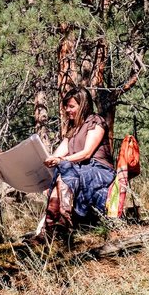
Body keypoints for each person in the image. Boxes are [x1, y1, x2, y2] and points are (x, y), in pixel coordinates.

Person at [38, 87, 115, 241]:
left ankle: (60, 222)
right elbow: (58, 154)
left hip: (98, 169)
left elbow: (87, 153)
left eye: (71, 106)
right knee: (62, 170)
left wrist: (61, 161)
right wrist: (49, 160)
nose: (67, 110)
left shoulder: (96, 121)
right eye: (66, 106)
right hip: (78, 170)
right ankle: (54, 224)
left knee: (64, 169)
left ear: (84, 105)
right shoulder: (73, 129)